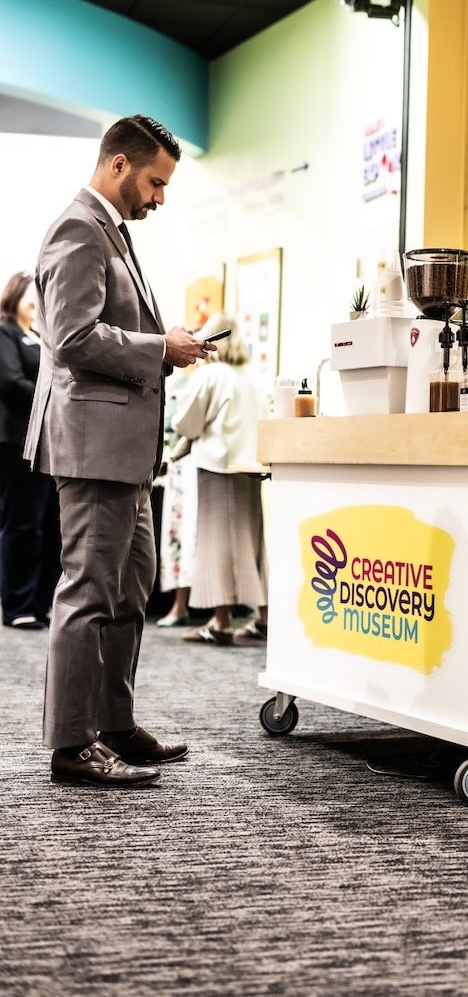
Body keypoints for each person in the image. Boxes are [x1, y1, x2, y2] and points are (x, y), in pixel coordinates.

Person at [24, 114, 217, 788]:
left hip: (128, 452)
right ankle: (72, 745)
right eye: (155, 182)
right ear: (118, 166)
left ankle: (113, 724)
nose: (159, 197)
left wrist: (163, 342)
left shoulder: (114, 231)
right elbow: (72, 339)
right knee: (88, 593)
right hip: (93, 447)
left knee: (131, 591)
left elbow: (110, 329)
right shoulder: (77, 227)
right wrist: (160, 348)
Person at [173, 311, 269, 645]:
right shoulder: (252, 376)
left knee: (217, 546)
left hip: (216, 466)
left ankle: (220, 622)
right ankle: (263, 618)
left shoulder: (210, 375)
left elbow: (186, 424)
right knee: (251, 543)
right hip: (251, 468)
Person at [0, 271, 61, 629]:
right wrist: (54, 399)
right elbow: (9, 381)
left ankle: (40, 602)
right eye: (29, 296)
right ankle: (18, 604)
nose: (35, 302)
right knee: (22, 524)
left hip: (47, 442)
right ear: (14, 297)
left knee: (48, 525)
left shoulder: (39, 335)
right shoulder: (5, 331)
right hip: (15, 442)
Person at [155, 370, 198, 628]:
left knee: (183, 536)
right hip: (191, 467)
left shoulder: (200, 380)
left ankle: (180, 606)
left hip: (188, 467)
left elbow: (176, 421)